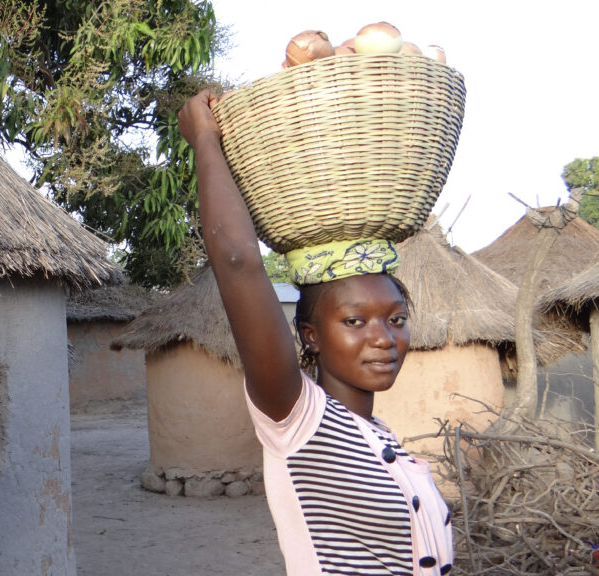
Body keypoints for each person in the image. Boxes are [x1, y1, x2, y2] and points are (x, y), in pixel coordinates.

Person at [178, 89, 454, 575]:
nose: (384, 338)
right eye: (354, 321)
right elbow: (239, 262)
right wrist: (204, 139)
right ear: (310, 335)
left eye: (395, 319)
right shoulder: (299, 420)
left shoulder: (378, 438)